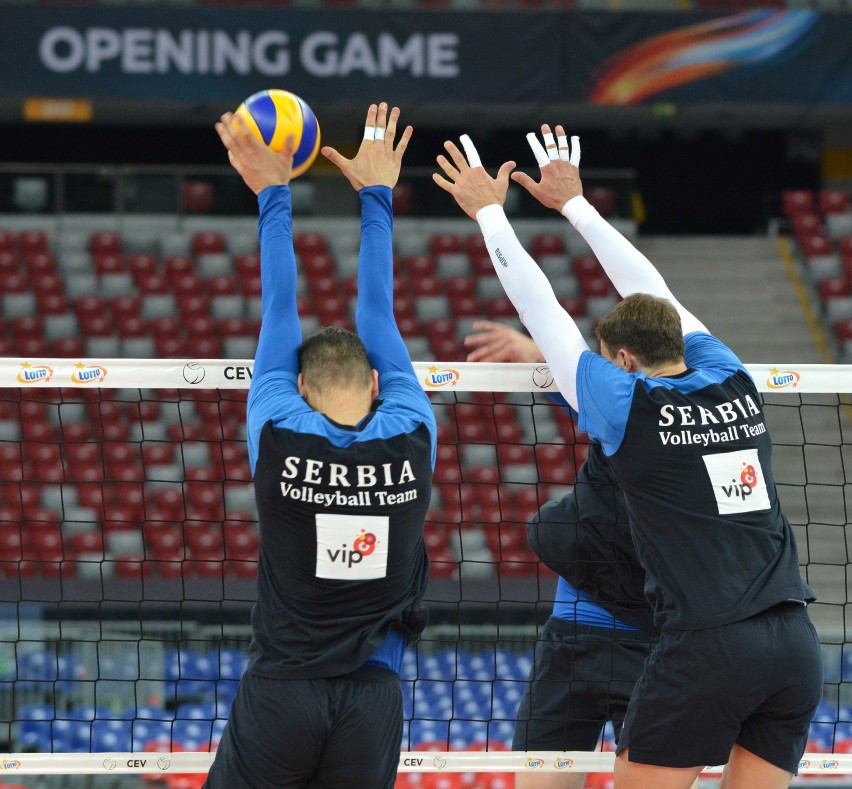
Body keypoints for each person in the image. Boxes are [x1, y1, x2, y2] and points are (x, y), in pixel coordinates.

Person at [435, 128, 823, 789]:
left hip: (705, 644)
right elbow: (653, 287)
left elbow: (541, 307)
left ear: (623, 361)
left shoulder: (628, 407)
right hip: (795, 643)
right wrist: (578, 206)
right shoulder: (732, 376)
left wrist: (488, 212)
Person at [204, 102, 437, 789]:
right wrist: (377, 195)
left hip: (284, 685)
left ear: (300, 384)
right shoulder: (411, 431)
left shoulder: (279, 427)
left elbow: (280, 307)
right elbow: (379, 315)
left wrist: (273, 192)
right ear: (375, 381)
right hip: (373, 698)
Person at [466, 321, 657, 789]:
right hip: (573, 637)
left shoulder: (675, 429)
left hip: (653, 644)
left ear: (625, 360)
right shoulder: (609, 410)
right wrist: (531, 348)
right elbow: (573, 379)